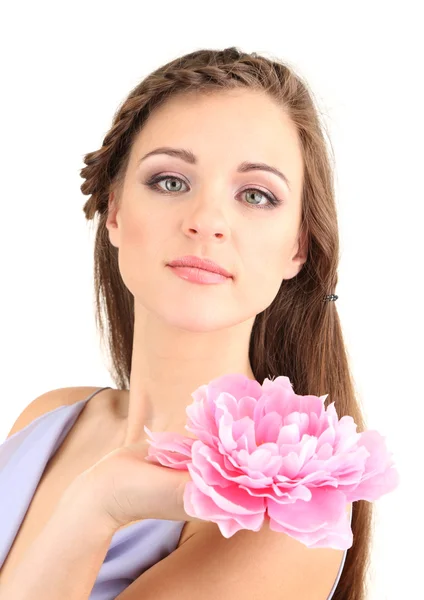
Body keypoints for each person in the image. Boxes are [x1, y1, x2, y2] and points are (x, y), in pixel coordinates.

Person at [0, 46, 371, 599]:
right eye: (171, 181)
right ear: (116, 211)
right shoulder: (49, 418)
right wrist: (99, 498)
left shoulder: (288, 519)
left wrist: (99, 506)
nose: (205, 221)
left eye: (256, 194)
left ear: (299, 246)